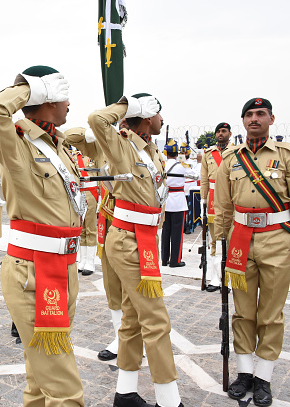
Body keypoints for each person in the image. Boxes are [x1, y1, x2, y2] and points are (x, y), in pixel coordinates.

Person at [0, 65, 85, 407]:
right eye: (62, 94)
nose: (69, 102)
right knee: (66, 391)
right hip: (35, 274)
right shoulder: (19, 142)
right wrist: (31, 88)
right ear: (48, 97)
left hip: (63, 267)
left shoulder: (58, 145)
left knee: (39, 381)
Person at [214, 98, 290, 407]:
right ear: (243, 121)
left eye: (260, 114)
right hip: (240, 241)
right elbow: (223, 207)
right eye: (249, 114)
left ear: (271, 119)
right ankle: (244, 374)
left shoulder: (288, 157)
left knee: (271, 315)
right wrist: (221, 245)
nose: (254, 119)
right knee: (244, 313)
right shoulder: (230, 159)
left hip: (277, 241)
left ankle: (264, 377)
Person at [88, 93, 184, 407]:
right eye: (158, 113)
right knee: (156, 319)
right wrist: (128, 105)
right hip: (129, 239)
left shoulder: (150, 149)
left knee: (132, 318)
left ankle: (125, 393)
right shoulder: (123, 145)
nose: (162, 119)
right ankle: (170, 400)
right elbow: (96, 120)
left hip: (144, 238)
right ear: (145, 115)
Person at [65, 125, 123, 361]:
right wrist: (95, 132)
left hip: (133, 221)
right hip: (109, 211)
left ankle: (132, 337)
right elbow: (69, 135)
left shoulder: (139, 153)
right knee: (112, 285)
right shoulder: (98, 150)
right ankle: (121, 336)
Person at [200, 122, 231, 292]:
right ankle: (215, 278)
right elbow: (204, 179)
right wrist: (203, 201)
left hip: (229, 198)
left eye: (224, 131)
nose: (220, 134)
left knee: (230, 240)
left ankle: (229, 278)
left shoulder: (235, 152)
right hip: (212, 200)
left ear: (229, 134)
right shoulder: (208, 154)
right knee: (214, 240)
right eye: (218, 131)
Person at [162, 139, 195, 268]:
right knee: (177, 232)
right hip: (178, 202)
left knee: (166, 231)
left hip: (166, 201)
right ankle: (175, 260)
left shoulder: (163, 165)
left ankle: (164, 259)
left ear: (166, 152)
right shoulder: (181, 166)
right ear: (177, 153)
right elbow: (194, 175)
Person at [74, 148, 99, 276]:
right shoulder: (74, 156)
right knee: (81, 229)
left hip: (91, 192)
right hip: (79, 192)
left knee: (90, 228)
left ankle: (90, 261)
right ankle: (83, 260)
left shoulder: (94, 155)